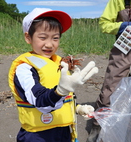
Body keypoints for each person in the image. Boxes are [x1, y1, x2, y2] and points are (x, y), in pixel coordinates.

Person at [8, 8, 99, 142]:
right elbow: (39, 101)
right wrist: (61, 91)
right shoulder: (24, 68)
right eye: (43, 37)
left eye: (55, 38)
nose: (49, 44)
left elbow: (63, 99)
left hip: (63, 131)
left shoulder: (59, 64)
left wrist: (78, 108)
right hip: (38, 136)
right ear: (28, 37)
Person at [88, 0, 131, 141]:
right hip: (123, 47)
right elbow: (104, 24)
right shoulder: (117, 1)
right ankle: (97, 128)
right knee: (110, 88)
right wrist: (126, 25)